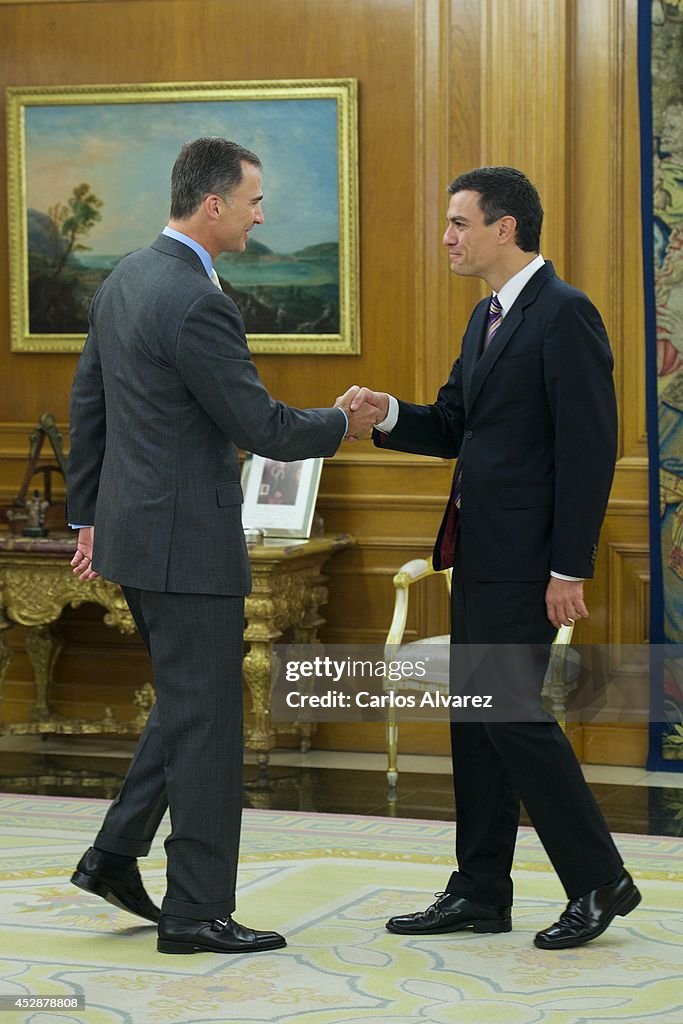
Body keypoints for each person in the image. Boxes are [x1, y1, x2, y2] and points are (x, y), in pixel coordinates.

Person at [66, 136, 378, 955]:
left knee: (187, 701)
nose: (260, 213)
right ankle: (196, 912)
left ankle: (112, 854)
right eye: (253, 200)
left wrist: (86, 520)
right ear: (212, 205)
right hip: (186, 548)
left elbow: (88, 403)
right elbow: (260, 426)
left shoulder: (125, 278)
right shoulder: (198, 301)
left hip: (135, 539)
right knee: (208, 725)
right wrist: (343, 424)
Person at [349, 166, 641, 950]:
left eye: (458, 223)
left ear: (503, 227)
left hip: (530, 561)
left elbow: (588, 451)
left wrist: (568, 568)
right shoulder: (485, 317)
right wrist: (386, 416)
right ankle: (480, 889)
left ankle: (599, 879)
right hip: (474, 554)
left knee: (509, 714)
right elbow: (452, 425)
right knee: (475, 720)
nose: (446, 237)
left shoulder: (565, 314)